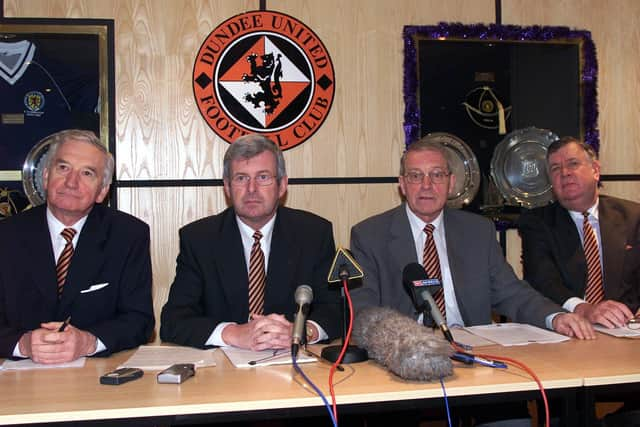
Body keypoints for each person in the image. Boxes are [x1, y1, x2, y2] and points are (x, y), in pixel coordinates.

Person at [350, 137, 595, 338]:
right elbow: (363, 310)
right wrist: (408, 342)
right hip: (404, 350)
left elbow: (512, 293)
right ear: (402, 185)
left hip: (474, 351)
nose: (426, 185)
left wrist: (556, 317)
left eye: (437, 175)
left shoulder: (478, 231)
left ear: (451, 182)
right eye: (415, 176)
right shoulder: (370, 235)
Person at [160, 134, 341, 351]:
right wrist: (233, 333)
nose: (252, 189)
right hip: (222, 375)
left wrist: (301, 332)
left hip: (291, 366)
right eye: (241, 178)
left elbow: (335, 310)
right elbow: (173, 321)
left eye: (263, 177)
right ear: (227, 187)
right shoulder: (199, 239)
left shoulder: (313, 233)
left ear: (282, 185)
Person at [0, 129, 154, 363]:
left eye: (87, 173)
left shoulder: (128, 235)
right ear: (45, 176)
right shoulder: (6, 236)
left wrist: (89, 342)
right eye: (63, 168)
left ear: (102, 191)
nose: (71, 182)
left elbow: (139, 321)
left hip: (95, 379)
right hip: (16, 380)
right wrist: (23, 344)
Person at [519, 137, 639, 329]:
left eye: (573, 164)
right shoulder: (537, 222)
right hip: (568, 327)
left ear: (596, 171)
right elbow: (542, 280)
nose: (565, 173)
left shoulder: (633, 216)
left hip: (625, 327)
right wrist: (585, 309)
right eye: (555, 169)